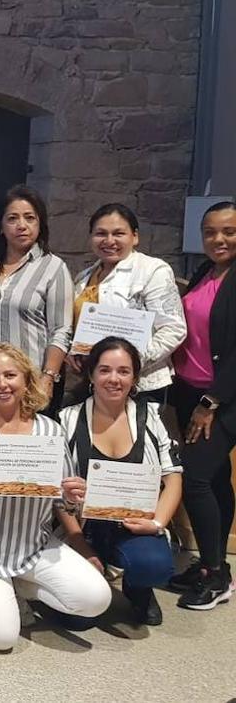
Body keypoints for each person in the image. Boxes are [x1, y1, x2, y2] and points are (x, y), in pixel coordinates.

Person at [0, 343, 110, 652]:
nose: (2, 384)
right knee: (0, 638)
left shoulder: (50, 432)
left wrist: (71, 496)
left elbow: (64, 503)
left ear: (26, 380)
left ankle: (16, 586)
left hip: (33, 544)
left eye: (10, 375)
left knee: (96, 599)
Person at [58, 338, 181, 625]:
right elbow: (58, 493)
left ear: (135, 378)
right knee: (79, 621)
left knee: (153, 565)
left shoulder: (152, 417)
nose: (114, 379)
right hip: (82, 526)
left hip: (135, 525)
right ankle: (93, 568)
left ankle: (138, 587)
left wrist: (157, 524)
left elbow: (173, 478)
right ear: (91, 375)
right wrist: (78, 542)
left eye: (124, 371)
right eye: (105, 370)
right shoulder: (67, 419)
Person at [168, 200, 236, 609]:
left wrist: (211, 401)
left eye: (229, 231)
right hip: (191, 392)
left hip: (222, 399)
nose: (218, 239)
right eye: (210, 232)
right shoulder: (205, 272)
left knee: (194, 478)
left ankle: (215, 573)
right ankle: (216, 565)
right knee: (216, 478)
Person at [67, 203, 185, 404]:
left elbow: (173, 328)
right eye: (101, 233)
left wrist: (130, 363)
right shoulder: (84, 277)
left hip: (141, 385)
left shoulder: (152, 270)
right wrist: (73, 351)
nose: (109, 241)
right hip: (95, 381)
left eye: (118, 233)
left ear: (135, 236)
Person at [0, 185, 73, 413]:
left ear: (40, 223)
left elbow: (61, 330)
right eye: (12, 218)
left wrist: (48, 376)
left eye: (30, 218)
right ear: (0, 225)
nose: (22, 225)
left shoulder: (53, 267)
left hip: (31, 383)